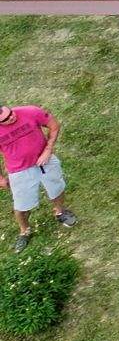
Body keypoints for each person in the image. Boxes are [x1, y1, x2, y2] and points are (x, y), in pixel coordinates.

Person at [0, 102, 73, 245]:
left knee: (57, 188)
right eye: (6, 119)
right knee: (22, 205)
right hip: (19, 170)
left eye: (11, 113)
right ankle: (24, 230)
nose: (12, 117)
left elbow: (54, 126)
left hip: (45, 160)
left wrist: (48, 150)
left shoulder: (31, 111)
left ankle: (59, 211)